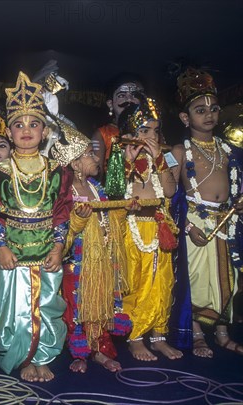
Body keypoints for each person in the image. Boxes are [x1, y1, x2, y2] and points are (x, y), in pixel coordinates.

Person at [0, 72, 72, 382]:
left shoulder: (58, 172)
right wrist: (2, 246)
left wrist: (60, 247)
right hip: (13, 253)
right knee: (11, 309)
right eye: (19, 125)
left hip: (47, 250)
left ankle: (43, 355)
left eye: (33, 124)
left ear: (45, 131)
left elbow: (63, 212)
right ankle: (20, 357)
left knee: (47, 305)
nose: (26, 130)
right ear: (9, 132)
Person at [170, 68, 243, 357]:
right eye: (200, 110)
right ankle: (197, 333)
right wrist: (187, 227)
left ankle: (223, 334)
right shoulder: (177, 151)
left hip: (227, 222)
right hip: (196, 223)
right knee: (198, 281)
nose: (209, 115)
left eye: (213, 109)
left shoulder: (229, 150)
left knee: (228, 279)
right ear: (186, 118)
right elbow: (170, 199)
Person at [51, 125, 131, 373]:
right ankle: (79, 353)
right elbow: (62, 231)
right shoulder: (65, 192)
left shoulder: (97, 188)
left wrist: (123, 209)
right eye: (89, 154)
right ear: (75, 164)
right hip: (77, 262)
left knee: (103, 304)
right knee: (77, 307)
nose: (97, 158)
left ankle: (99, 351)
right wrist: (78, 221)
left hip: (102, 259)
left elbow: (109, 221)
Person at [118, 100, 182, 361]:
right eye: (144, 131)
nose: (151, 137)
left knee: (162, 284)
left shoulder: (163, 157)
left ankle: (158, 336)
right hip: (132, 231)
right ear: (130, 134)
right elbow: (112, 191)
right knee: (136, 284)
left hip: (158, 229)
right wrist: (126, 163)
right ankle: (135, 336)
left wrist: (160, 161)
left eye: (155, 131)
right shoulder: (119, 156)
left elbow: (170, 191)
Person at [91, 73, 145, 174]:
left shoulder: (152, 129)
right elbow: (96, 173)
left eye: (134, 95)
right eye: (122, 95)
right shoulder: (103, 134)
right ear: (110, 104)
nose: (129, 99)